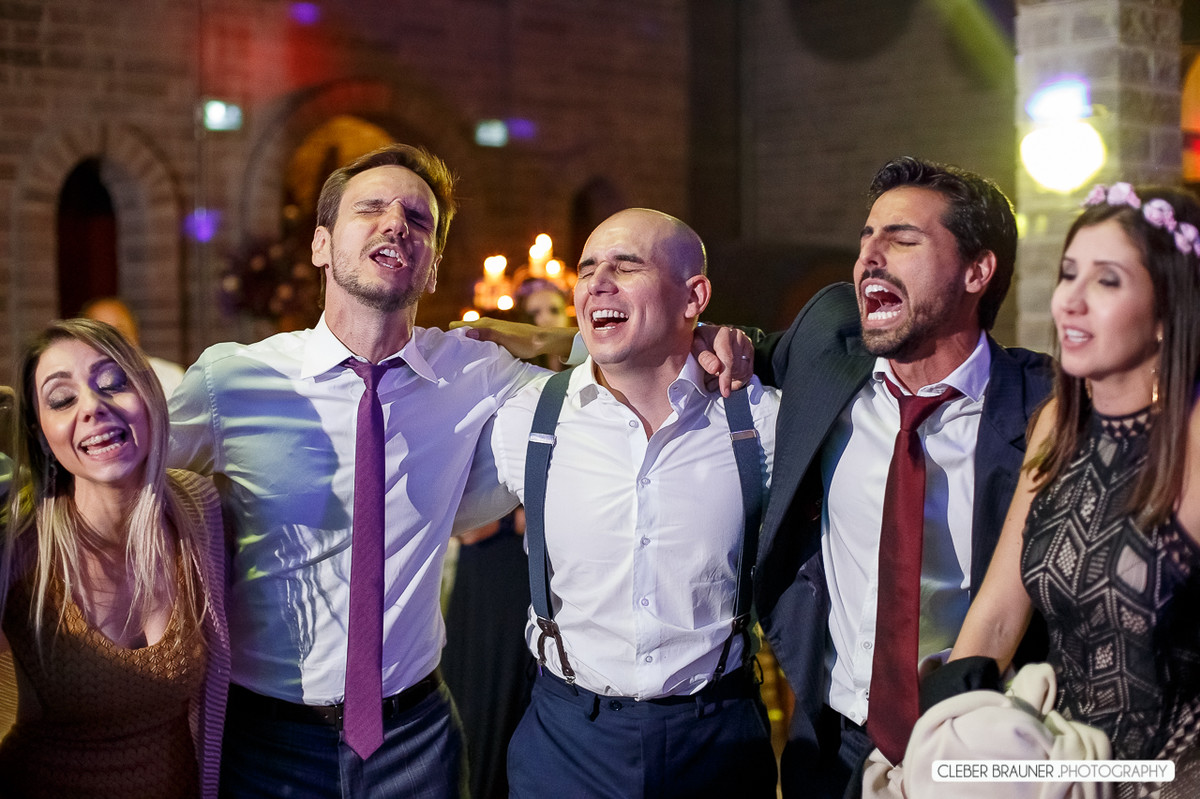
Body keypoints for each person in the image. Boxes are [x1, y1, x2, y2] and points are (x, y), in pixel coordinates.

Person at [167, 143, 752, 797]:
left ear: (434, 264)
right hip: (268, 737)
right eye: (372, 209)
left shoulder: (475, 373)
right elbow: (124, 473)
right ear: (321, 245)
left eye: (418, 220)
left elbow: (619, 362)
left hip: (414, 742)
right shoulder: (234, 379)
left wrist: (697, 333)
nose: (397, 224)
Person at [749, 156, 1054, 798]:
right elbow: (728, 347)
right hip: (829, 745)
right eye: (866, 237)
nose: (869, 257)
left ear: (978, 270)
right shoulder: (825, 347)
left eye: (902, 239)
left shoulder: (1042, 407)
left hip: (979, 747)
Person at [458, 208, 781, 797]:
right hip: (568, 744)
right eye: (586, 269)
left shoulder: (759, 420)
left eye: (625, 265)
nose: (597, 281)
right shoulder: (527, 417)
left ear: (694, 296)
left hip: (718, 740)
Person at [949, 183, 1200, 797]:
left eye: (1107, 281)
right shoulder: (1057, 422)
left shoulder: (1195, 441)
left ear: (1168, 312)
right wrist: (942, 733)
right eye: (1068, 275)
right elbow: (998, 612)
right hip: (1062, 769)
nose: (1071, 303)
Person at [0, 318, 229, 799]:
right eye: (62, 399)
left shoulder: (196, 510)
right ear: (43, 435)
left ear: (148, 397)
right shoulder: (19, 545)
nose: (93, 407)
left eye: (113, 383)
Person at [80, 297, 187, 396]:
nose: (112, 340)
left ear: (136, 333)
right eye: (102, 333)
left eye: (120, 330)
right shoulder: (77, 382)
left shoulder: (171, 377)